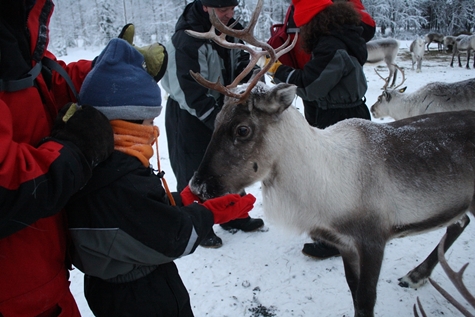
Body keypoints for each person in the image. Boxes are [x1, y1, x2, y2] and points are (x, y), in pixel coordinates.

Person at [65, 38, 256, 317]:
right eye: (149, 121)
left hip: (114, 288)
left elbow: (137, 217)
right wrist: (208, 215)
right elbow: (171, 237)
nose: (154, 130)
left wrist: (180, 201)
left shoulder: (101, 163)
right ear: (127, 121)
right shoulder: (120, 177)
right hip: (140, 296)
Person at [0, 1, 114, 316]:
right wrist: (78, 148)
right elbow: (6, 188)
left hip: (41, 280)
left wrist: (106, 72)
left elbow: (44, 79)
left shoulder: (15, 25)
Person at [267, 0, 372, 259]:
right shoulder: (341, 37)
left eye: (303, 25)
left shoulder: (331, 46)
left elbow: (310, 85)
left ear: (316, 21)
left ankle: (335, 241)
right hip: (344, 111)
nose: (301, 30)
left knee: (335, 181)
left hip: (336, 118)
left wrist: (277, 70)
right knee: (346, 180)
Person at [162, 0, 264, 248]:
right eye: (223, 10)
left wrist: (248, 72)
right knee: (193, 169)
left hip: (222, 108)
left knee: (226, 163)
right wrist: (218, 120)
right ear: (206, 7)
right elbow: (188, 91)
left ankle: (233, 215)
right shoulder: (186, 39)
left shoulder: (231, 27)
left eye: (232, 8)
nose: (229, 15)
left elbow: (239, 59)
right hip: (190, 113)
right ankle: (197, 225)